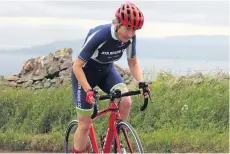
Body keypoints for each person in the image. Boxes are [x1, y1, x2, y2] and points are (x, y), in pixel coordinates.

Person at [71, 2, 150, 153]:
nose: (130, 34)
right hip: (85, 75)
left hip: (106, 71)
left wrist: (141, 83)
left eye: (134, 30)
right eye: (127, 29)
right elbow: (77, 66)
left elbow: (133, 63)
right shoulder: (100, 36)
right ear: (117, 24)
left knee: (125, 101)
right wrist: (88, 90)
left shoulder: (131, 38)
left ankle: (114, 141)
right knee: (85, 124)